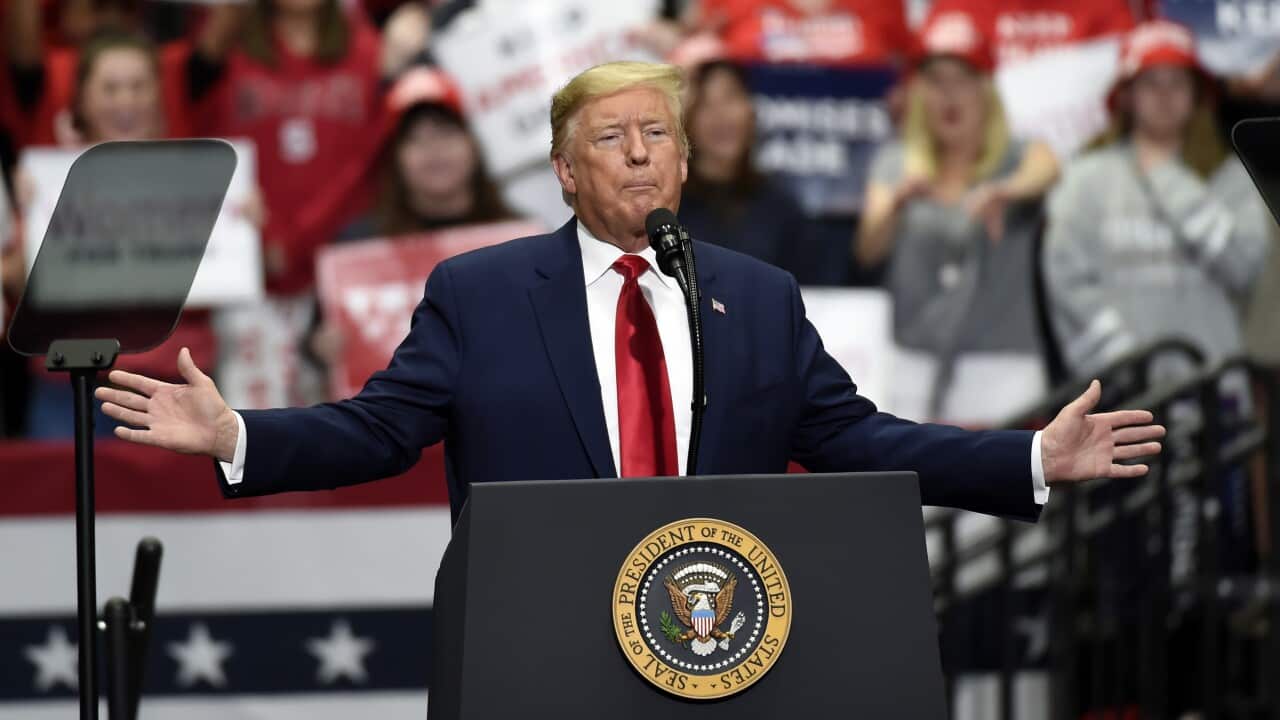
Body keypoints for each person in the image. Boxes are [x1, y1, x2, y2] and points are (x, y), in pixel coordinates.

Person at [95, 61, 1164, 526]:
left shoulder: (756, 296)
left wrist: (1026, 458)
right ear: (566, 173)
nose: (641, 153)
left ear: (686, 163)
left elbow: (855, 439)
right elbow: (379, 430)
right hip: (539, 641)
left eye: (658, 134)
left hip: (719, 635)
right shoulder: (480, 293)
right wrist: (240, 435)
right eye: (612, 138)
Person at [16, 30, 220, 438]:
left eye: (138, 86)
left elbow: (231, 270)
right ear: (81, 99)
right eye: (110, 88)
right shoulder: (45, 182)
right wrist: (29, 219)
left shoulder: (203, 178)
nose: (126, 100)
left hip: (171, 385)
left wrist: (242, 222)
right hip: (68, 384)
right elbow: (20, 285)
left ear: (159, 94)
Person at [858, 9, 1059, 423]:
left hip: (1002, 365)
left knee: (1009, 465)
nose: (949, 96)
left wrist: (1006, 191)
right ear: (918, 92)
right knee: (911, 465)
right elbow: (866, 250)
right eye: (936, 81)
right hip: (913, 363)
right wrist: (896, 203)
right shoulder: (896, 162)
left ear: (986, 89)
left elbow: (1049, 169)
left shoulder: (1019, 156)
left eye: (963, 79)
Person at [1042, 20, 1272, 378]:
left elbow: (1243, 268)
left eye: (1177, 82)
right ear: (1126, 95)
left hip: (1215, 389)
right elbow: (1066, 280)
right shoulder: (1086, 179)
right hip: (1124, 392)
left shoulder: (1230, 176)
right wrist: (1127, 367)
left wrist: (1167, 177)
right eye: (1150, 83)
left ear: (1197, 95)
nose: (1164, 96)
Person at [677, 58, 815, 278]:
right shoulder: (671, 206)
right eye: (705, 104)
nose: (721, 115)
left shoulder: (781, 208)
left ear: (751, 111)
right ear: (687, 121)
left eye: (730, 97)